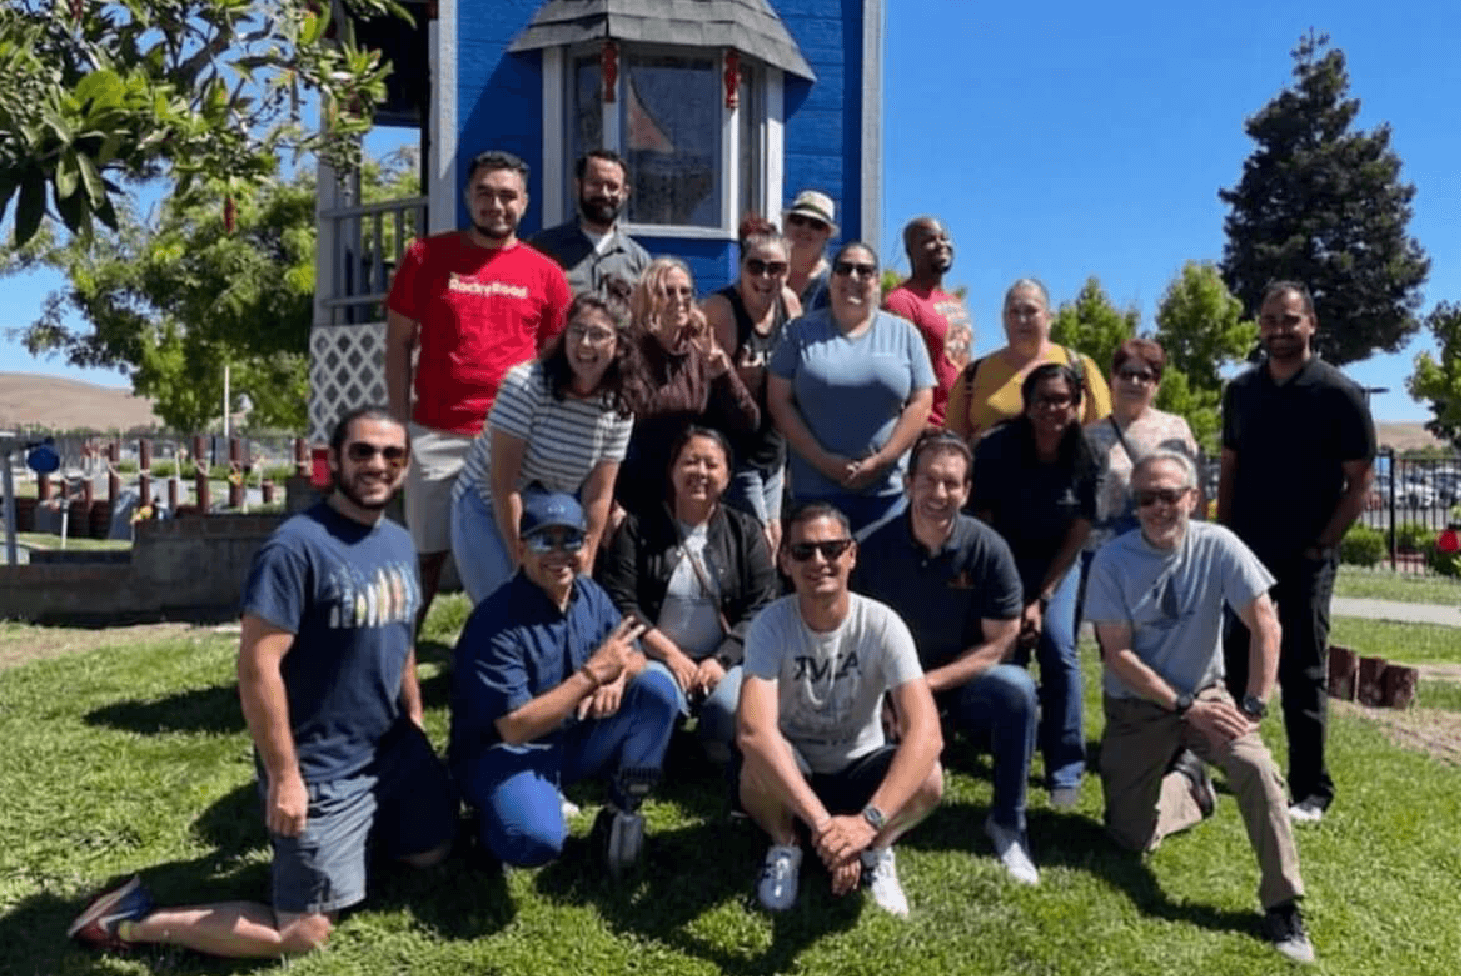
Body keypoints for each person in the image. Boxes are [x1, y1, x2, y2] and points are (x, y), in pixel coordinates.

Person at [69, 408, 456, 958]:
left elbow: (401, 639)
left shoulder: (397, 541)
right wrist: (285, 776)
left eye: (393, 455)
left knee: (432, 855)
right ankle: (131, 921)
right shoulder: (295, 548)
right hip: (322, 766)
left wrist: (413, 717)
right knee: (301, 934)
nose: (378, 464)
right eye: (363, 452)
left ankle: (350, 845)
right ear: (335, 461)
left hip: (391, 750)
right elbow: (258, 666)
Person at [1085, 452, 1314, 964]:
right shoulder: (1112, 561)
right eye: (1147, 499)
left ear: (1193, 498)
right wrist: (1182, 706)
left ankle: (1282, 903)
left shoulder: (1219, 545)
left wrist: (1253, 704)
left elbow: (1265, 624)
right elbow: (1117, 655)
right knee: (1128, 838)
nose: (1160, 508)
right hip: (1139, 704)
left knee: (1256, 767)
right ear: (1135, 506)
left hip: (1208, 694)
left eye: (1170, 496)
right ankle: (1191, 786)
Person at [386, 150, 572, 631]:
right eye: (485, 194)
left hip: (512, 441)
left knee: (520, 553)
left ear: (525, 203)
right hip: (436, 432)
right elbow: (398, 344)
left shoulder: (546, 273)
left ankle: (524, 651)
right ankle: (394, 667)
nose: (496, 205)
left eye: (508, 195)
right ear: (468, 196)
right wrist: (397, 426)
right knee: (424, 559)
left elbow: (555, 366)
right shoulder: (426, 257)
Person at [449, 490, 680, 876]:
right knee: (536, 840)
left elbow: (635, 656)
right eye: (544, 540)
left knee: (658, 689)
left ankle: (621, 812)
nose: (559, 554)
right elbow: (514, 728)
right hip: (506, 755)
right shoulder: (495, 622)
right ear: (521, 548)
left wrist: (617, 678)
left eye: (570, 540)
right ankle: (487, 826)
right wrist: (592, 676)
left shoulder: (590, 595)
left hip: (568, 741)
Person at [1218, 280, 1376, 823]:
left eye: (1289, 320)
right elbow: (1230, 469)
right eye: (1269, 320)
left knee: (1303, 668)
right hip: (1246, 551)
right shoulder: (1241, 392)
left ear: (1310, 323)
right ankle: (1233, 766)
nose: (1279, 330)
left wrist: (1322, 545)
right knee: (1236, 660)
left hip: (1306, 553)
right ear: (1259, 327)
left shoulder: (1339, 394)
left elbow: (1359, 483)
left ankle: (1312, 789)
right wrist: (1224, 537)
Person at [737, 502, 944, 915]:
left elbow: (926, 733)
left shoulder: (882, 623)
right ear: (785, 562)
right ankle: (787, 845)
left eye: (832, 549)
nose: (819, 561)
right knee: (755, 764)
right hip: (796, 769)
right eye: (803, 551)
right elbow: (753, 730)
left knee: (931, 779)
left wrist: (868, 823)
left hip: (860, 765)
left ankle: (877, 851)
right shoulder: (770, 625)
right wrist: (824, 826)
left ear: (852, 555)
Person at [853, 430, 1040, 883]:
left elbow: (1000, 645)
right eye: (929, 480)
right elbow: (851, 640)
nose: (939, 493)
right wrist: (888, 695)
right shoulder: (871, 550)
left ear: (967, 490)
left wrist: (923, 687)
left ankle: (1007, 823)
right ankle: (880, 834)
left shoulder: (989, 549)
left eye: (952, 483)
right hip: (886, 688)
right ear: (909, 482)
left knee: (1017, 690)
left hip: (956, 685)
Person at [597, 427, 780, 761]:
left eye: (711, 464)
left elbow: (762, 604)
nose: (700, 472)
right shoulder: (638, 528)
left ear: (728, 473)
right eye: (690, 462)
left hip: (724, 659)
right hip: (657, 657)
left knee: (729, 708)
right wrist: (671, 655)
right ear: (673, 470)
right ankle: (665, 738)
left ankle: (706, 747)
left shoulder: (747, 531)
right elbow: (622, 601)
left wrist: (722, 658)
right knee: (654, 692)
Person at [450, 292, 637, 603]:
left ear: (620, 345)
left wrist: (585, 562)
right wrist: (522, 560)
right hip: (487, 503)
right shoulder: (525, 385)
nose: (585, 344)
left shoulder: (619, 406)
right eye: (578, 331)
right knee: (507, 607)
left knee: (563, 609)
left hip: (553, 516)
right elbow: (503, 486)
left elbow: (597, 496)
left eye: (599, 335)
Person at [969, 363, 1098, 809]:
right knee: (1006, 650)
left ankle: (1065, 768)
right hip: (1001, 560)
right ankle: (1006, 751)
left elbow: (1080, 531)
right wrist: (1014, 597)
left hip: (1057, 565)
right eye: (1043, 399)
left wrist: (1041, 598)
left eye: (1062, 399)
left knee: (1059, 648)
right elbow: (982, 524)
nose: (1052, 408)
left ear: (1076, 404)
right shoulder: (997, 450)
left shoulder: (1086, 456)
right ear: (1027, 404)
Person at [767, 242, 935, 537]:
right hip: (815, 495)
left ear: (876, 280)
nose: (853, 277)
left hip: (887, 497)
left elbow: (921, 402)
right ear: (831, 279)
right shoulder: (798, 333)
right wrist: (823, 461)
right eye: (844, 268)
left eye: (864, 271)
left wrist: (882, 461)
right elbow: (779, 401)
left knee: (881, 581)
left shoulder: (905, 334)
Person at [616, 258, 760, 522]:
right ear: (649, 298)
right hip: (635, 486)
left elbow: (748, 422)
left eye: (685, 291)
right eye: (667, 292)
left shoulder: (700, 350)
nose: (679, 299)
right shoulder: (628, 351)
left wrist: (724, 374)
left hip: (691, 488)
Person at [703, 226, 802, 549]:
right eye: (756, 266)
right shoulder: (721, 310)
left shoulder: (789, 306)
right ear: (741, 267)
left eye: (776, 268)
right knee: (760, 539)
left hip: (773, 448)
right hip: (734, 448)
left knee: (773, 536)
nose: (765, 276)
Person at [945, 278, 1110, 445]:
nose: (1022, 320)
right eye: (1014, 312)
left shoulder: (1081, 368)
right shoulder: (973, 374)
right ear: (1004, 319)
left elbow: (1102, 440)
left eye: (1031, 311)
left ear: (1049, 317)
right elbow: (952, 445)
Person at [1084, 338, 1200, 553]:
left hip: (1165, 548)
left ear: (1156, 385)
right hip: (1106, 553)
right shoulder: (1088, 436)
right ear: (1113, 378)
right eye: (1126, 374)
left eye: (1144, 376)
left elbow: (1192, 493)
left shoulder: (1176, 428)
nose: (1134, 382)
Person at [882, 217, 974, 426]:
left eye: (944, 238)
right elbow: (892, 374)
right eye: (929, 240)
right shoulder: (901, 301)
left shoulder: (954, 302)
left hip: (960, 428)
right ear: (910, 252)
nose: (941, 244)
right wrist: (921, 426)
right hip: (928, 430)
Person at [529, 149, 651, 298]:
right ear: (578, 186)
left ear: (625, 193)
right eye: (595, 184)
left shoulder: (639, 260)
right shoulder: (542, 250)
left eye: (612, 187)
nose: (604, 193)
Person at [783, 190, 837, 314]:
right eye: (798, 220)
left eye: (816, 225)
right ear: (786, 225)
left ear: (827, 234)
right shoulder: (768, 273)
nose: (805, 229)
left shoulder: (834, 285)